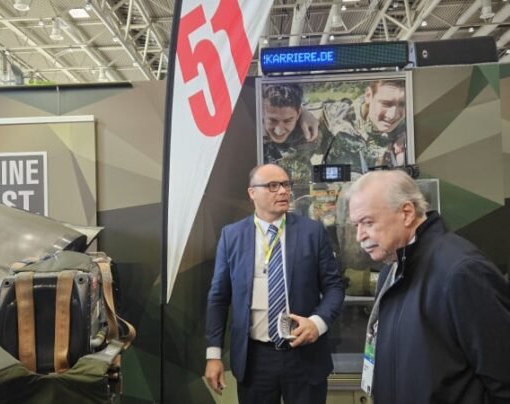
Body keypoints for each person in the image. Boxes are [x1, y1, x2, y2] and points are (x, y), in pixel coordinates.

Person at [346, 170, 510, 403]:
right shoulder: (390, 270)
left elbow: (503, 380)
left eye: (368, 222)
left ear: (406, 213)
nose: (359, 236)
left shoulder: (462, 272)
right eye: (356, 225)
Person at [205, 164, 345, 404]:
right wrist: (213, 355)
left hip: (304, 355)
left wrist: (317, 323)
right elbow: (218, 297)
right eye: (272, 186)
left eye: (285, 185)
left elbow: (335, 287)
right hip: (255, 358)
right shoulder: (232, 236)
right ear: (252, 193)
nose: (283, 191)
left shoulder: (312, 232)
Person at [320, 79, 406, 174]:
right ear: (368, 96)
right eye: (386, 104)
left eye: (403, 104)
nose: (392, 115)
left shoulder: (408, 127)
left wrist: (408, 137)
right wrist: (304, 115)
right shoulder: (338, 115)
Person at [262, 84, 322, 184]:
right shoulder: (250, 132)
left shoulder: (311, 130)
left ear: (298, 114)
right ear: (262, 112)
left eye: (287, 121)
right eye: (272, 120)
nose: (279, 131)